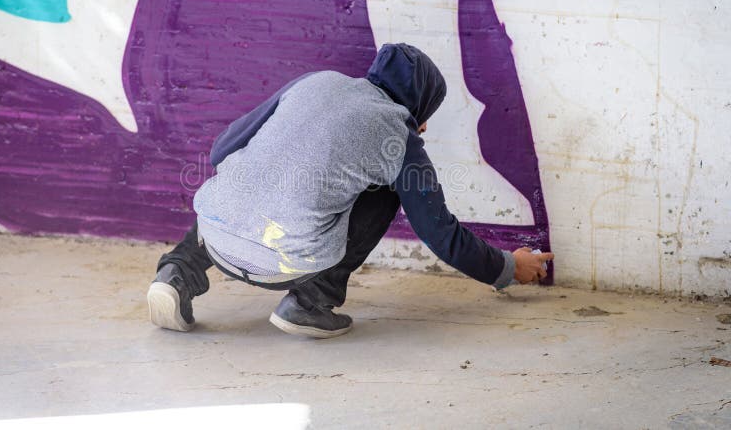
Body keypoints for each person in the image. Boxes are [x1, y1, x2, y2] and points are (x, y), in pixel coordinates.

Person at [147, 43, 553, 338]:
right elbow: (440, 235)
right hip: (288, 266)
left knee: (242, 179)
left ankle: (177, 273)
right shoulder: (399, 132)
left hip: (214, 239)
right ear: (419, 108)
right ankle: (310, 301)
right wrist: (507, 266)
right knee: (392, 187)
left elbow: (222, 149)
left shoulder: (314, 82)